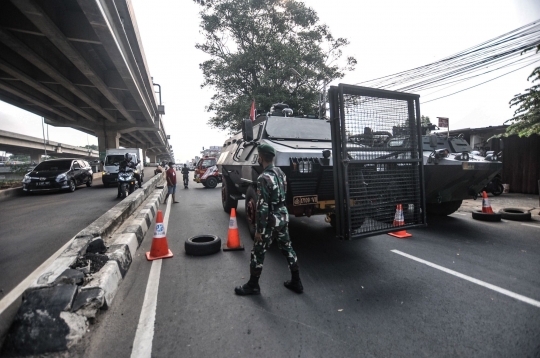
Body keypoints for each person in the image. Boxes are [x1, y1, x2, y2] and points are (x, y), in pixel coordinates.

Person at [235, 144, 303, 296]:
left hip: (270, 219)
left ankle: (253, 285)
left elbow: (263, 205)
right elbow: (283, 195)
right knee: (287, 248)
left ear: (260, 157)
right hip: (282, 216)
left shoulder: (263, 178)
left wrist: (259, 230)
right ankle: (296, 281)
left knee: (258, 251)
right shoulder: (280, 173)